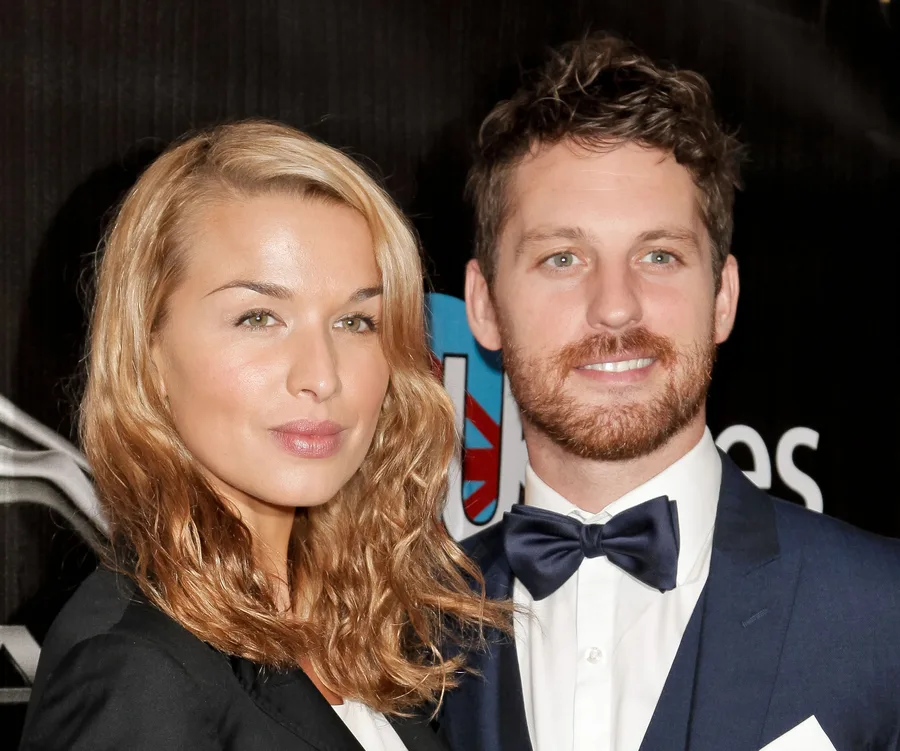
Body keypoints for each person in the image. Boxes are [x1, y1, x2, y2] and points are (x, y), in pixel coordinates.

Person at [437, 33, 900, 751]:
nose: (616, 307)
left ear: (724, 297)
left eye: (659, 255)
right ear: (484, 305)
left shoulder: (881, 614)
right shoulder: (406, 632)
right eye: (563, 257)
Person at [19, 120, 508, 751]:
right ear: (150, 352)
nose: (321, 375)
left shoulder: (344, 635)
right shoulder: (138, 671)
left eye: (357, 320)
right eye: (259, 317)